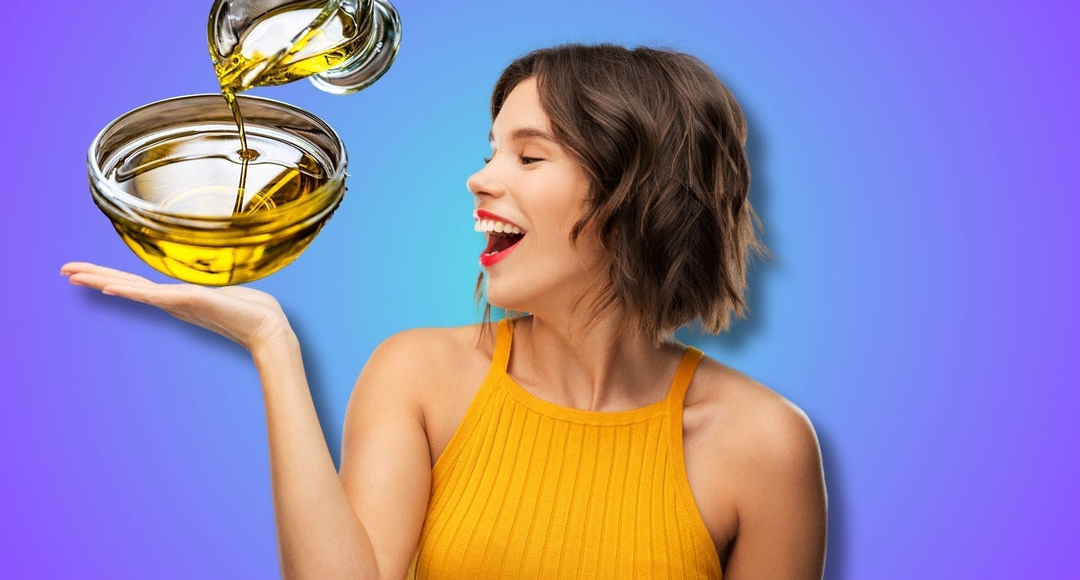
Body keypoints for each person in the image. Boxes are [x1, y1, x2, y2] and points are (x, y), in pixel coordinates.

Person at [63, 44, 827, 579]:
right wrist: (272, 345)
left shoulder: (765, 446)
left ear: (640, 198)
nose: (480, 179)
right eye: (490, 150)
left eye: (529, 157)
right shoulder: (420, 376)